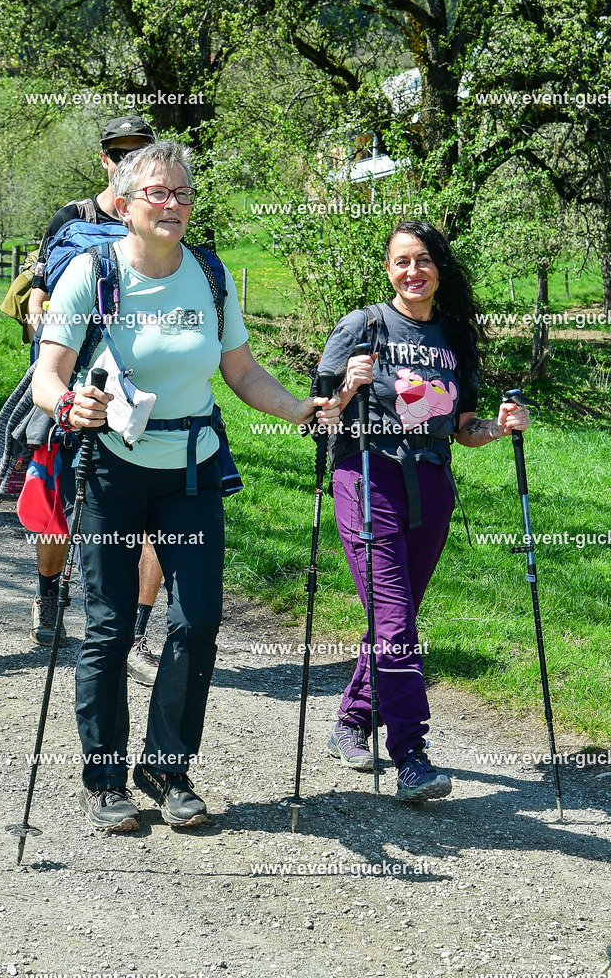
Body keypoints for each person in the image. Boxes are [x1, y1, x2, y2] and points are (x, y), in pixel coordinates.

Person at [32, 139, 340, 832]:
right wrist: (66, 405)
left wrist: (297, 409)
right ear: (127, 201)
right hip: (108, 465)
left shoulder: (208, 273)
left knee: (196, 621)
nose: (171, 205)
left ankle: (166, 766)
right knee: (110, 627)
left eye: (181, 194)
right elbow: (50, 369)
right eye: (157, 193)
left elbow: (241, 371)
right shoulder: (92, 271)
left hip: (191, 469)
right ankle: (105, 778)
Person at [318, 220, 531, 802]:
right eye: (401, 261)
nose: (413, 271)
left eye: (424, 260)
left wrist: (500, 427)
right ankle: (411, 753)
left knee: (398, 613)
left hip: (431, 485)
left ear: (440, 268)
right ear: (387, 268)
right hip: (367, 478)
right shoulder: (362, 327)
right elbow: (318, 417)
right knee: (394, 619)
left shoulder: (455, 338)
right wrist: (342, 391)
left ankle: (353, 720)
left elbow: (463, 428)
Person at [28, 115, 163, 688]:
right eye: (119, 151)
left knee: (156, 515)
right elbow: (38, 288)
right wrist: (46, 330)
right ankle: (49, 593)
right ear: (104, 157)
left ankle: (136, 630)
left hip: (146, 389)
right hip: (75, 381)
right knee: (58, 510)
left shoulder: (165, 220)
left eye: (140, 150)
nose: (128, 158)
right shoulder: (73, 218)